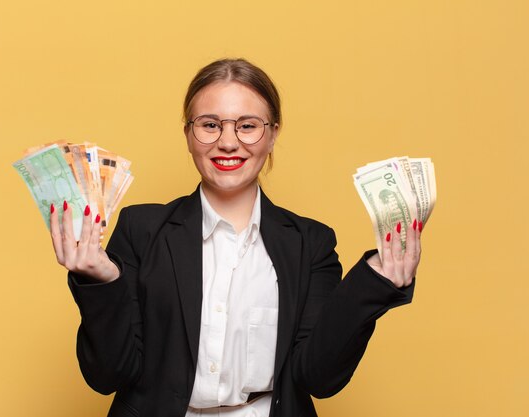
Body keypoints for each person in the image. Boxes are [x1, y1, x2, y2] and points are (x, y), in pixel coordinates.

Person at [49, 58, 421, 417]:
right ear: (188, 135)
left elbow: (319, 379)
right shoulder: (141, 230)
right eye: (210, 125)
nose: (228, 142)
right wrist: (102, 281)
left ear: (273, 134)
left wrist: (372, 282)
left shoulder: (311, 244)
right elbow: (108, 376)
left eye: (247, 126)